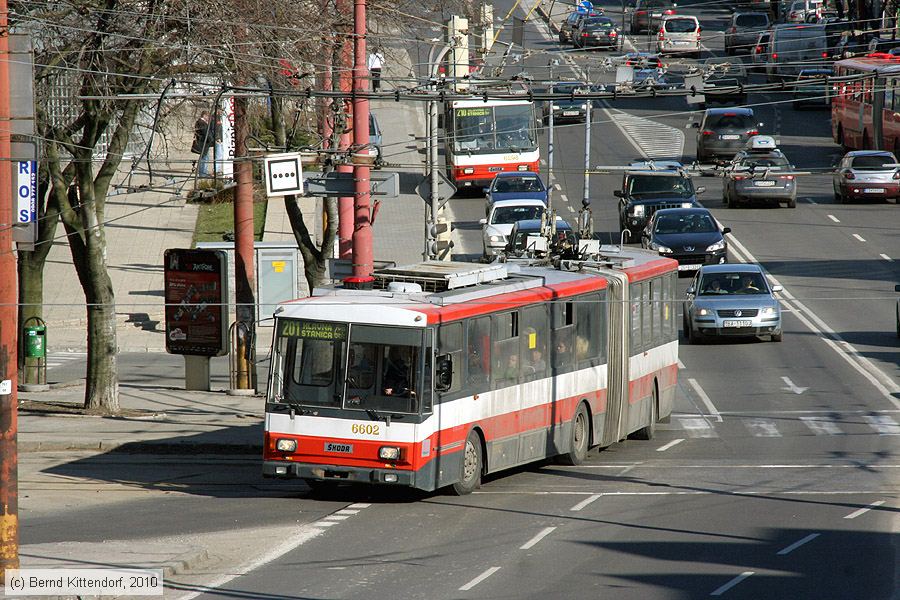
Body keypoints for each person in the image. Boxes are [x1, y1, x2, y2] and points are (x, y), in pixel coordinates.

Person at [191, 111, 213, 177]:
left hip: (204, 142)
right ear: (204, 115)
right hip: (203, 143)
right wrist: (211, 140)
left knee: (205, 157)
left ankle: (203, 172)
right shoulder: (202, 123)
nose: (208, 118)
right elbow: (206, 133)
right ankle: (203, 173)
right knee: (204, 158)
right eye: (208, 116)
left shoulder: (200, 122)